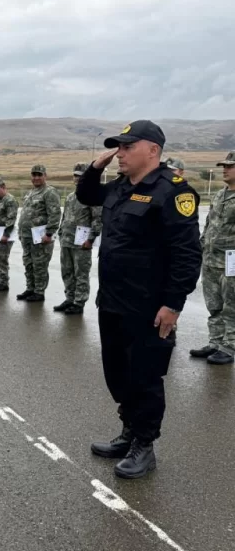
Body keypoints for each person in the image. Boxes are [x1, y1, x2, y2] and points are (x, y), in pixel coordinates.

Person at [77, 119, 202, 479]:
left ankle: (144, 445)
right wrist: (96, 165)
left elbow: (186, 254)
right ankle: (129, 431)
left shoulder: (173, 192)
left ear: (153, 150)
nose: (121, 153)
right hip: (113, 301)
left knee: (145, 376)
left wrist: (173, 304)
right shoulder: (119, 186)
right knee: (117, 373)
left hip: (149, 308)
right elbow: (86, 195)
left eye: (128, 146)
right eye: (118, 146)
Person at [190, 150, 235, 365]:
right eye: (224, 166)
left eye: (230, 166)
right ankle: (215, 342)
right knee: (214, 304)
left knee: (231, 305)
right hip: (210, 260)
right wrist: (201, 247)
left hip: (231, 262)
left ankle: (229, 347)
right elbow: (209, 224)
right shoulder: (220, 194)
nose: (225, 169)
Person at [54, 163, 102, 315]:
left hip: (82, 242)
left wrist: (91, 239)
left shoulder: (92, 196)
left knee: (80, 273)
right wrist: (61, 232)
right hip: (67, 240)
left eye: (80, 176)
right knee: (67, 271)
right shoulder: (70, 197)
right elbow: (65, 216)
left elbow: (97, 219)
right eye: (75, 175)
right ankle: (70, 298)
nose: (77, 178)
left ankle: (79, 302)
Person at [16, 164, 61, 302]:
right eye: (34, 175)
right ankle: (30, 288)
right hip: (27, 236)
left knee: (39, 265)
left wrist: (49, 234)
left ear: (45, 176)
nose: (36, 178)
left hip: (41, 237)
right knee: (28, 263)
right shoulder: (31, 192)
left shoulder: (49, 192)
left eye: (39, 175)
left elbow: (55, 214)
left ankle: (39, 291)